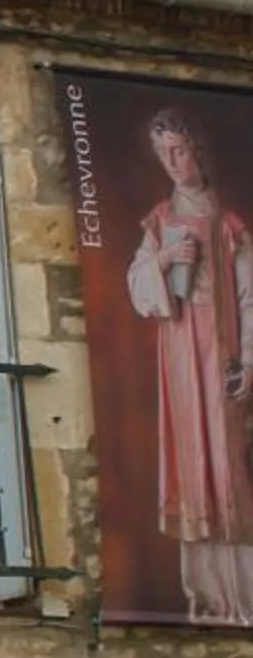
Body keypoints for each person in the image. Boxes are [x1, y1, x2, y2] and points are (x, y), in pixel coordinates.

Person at [126, 108, 253, 623]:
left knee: (229, 465)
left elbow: (250, 296)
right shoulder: (158, 221)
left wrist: (250, 358)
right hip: (179, 354)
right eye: (164, 152)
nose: (173, 161)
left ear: (198, 149)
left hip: (220, 347)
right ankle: (206, 596)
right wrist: (160, 259)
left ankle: (241, 597)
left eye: (179, 149)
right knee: (191, 465)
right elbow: (139, 286)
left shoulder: (228, 224)